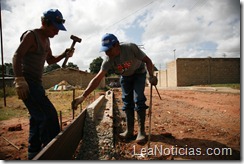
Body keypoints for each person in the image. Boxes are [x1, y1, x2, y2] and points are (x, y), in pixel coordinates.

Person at [72, 33, 157, 143]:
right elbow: (97, 79)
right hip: (125, 77)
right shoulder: (108, 60)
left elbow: (148, 61)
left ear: (117, 45)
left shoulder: (130, 48)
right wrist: (83, 96)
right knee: (127, 101)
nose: (107, 53)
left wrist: (151, 75)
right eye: (105, 50)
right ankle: (129, 131)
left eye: (109, 49)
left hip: (138, 73)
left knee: (138, 98)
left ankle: (141, 132)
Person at [12, 9, 74, 160]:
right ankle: (52, 155)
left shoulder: (47, 40)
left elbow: (50, 60)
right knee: (49, 117)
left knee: (36, 118)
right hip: (28, 83)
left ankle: (33, 153)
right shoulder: (31, 35)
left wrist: (64, 54)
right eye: (54, 28)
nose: (57, 32)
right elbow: (17, 55)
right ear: (44, 23)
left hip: (37, 84)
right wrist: (20, 80)